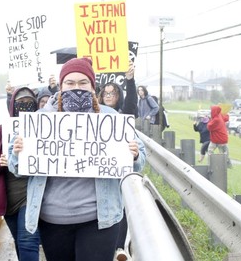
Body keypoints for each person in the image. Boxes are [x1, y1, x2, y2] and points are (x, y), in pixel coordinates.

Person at [8, 57, 146, 261]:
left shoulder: (111, 118)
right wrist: (18, 152)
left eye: (83, 83)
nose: (76, 87)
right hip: (52, 220)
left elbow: (141, 159)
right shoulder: (39, 119)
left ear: (92, 87)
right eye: (70, 83)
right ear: (61, 86)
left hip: (99, 219)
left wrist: (133, 154)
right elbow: (15, 167)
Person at [0, 87, 41, 261]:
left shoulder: (43, 130)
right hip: (8, 200)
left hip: (31, 197)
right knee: (19, 241)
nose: (25, 106)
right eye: (21, 103)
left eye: (30, 103)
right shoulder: (1, 131)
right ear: (12, 105)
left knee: (28, 241)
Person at [97, 61, 138, 261]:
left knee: (119, 204)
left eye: (113, 93)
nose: (109, 96)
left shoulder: (124, 114)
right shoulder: (92, 116)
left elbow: (131, 103)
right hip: (99, 168)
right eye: (106, 93)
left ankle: (119, 248)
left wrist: (130, 80)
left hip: (119, 168)